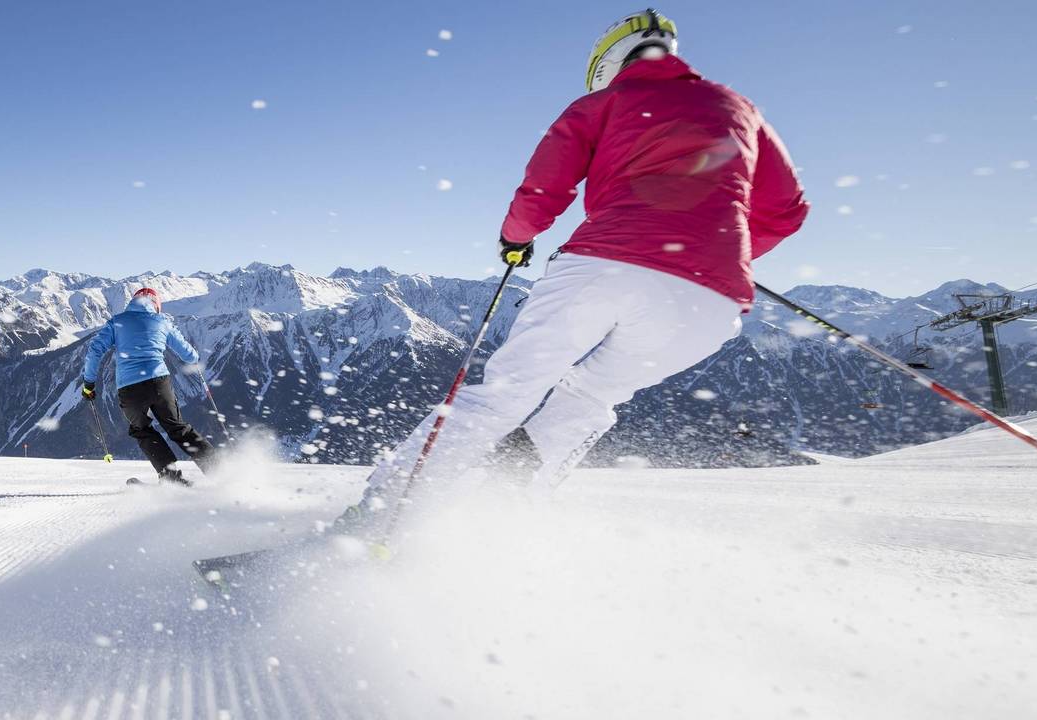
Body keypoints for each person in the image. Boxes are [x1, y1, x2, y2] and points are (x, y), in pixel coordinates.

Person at [342, 8, 809, 527]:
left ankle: (377, 515)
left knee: (506, 394)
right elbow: (787, 210)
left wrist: (516, 238)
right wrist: (723, 251)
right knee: (589, 397)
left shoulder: (604, 101)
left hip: (604, 263)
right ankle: (502, 518)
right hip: (711, 301)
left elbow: (547, 183)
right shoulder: (741, 109)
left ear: (608, 60)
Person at [82, 287, 216, 485]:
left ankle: (169, 476)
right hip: (159, 383)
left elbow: (94, 351)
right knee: (178, 428)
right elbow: (189, 355)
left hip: (129, 388)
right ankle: (218, 469)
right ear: (156, 306)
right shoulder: (162, 321)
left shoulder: (117, 322)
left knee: (142, 429)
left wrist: (89, 384)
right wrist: (194, 357)